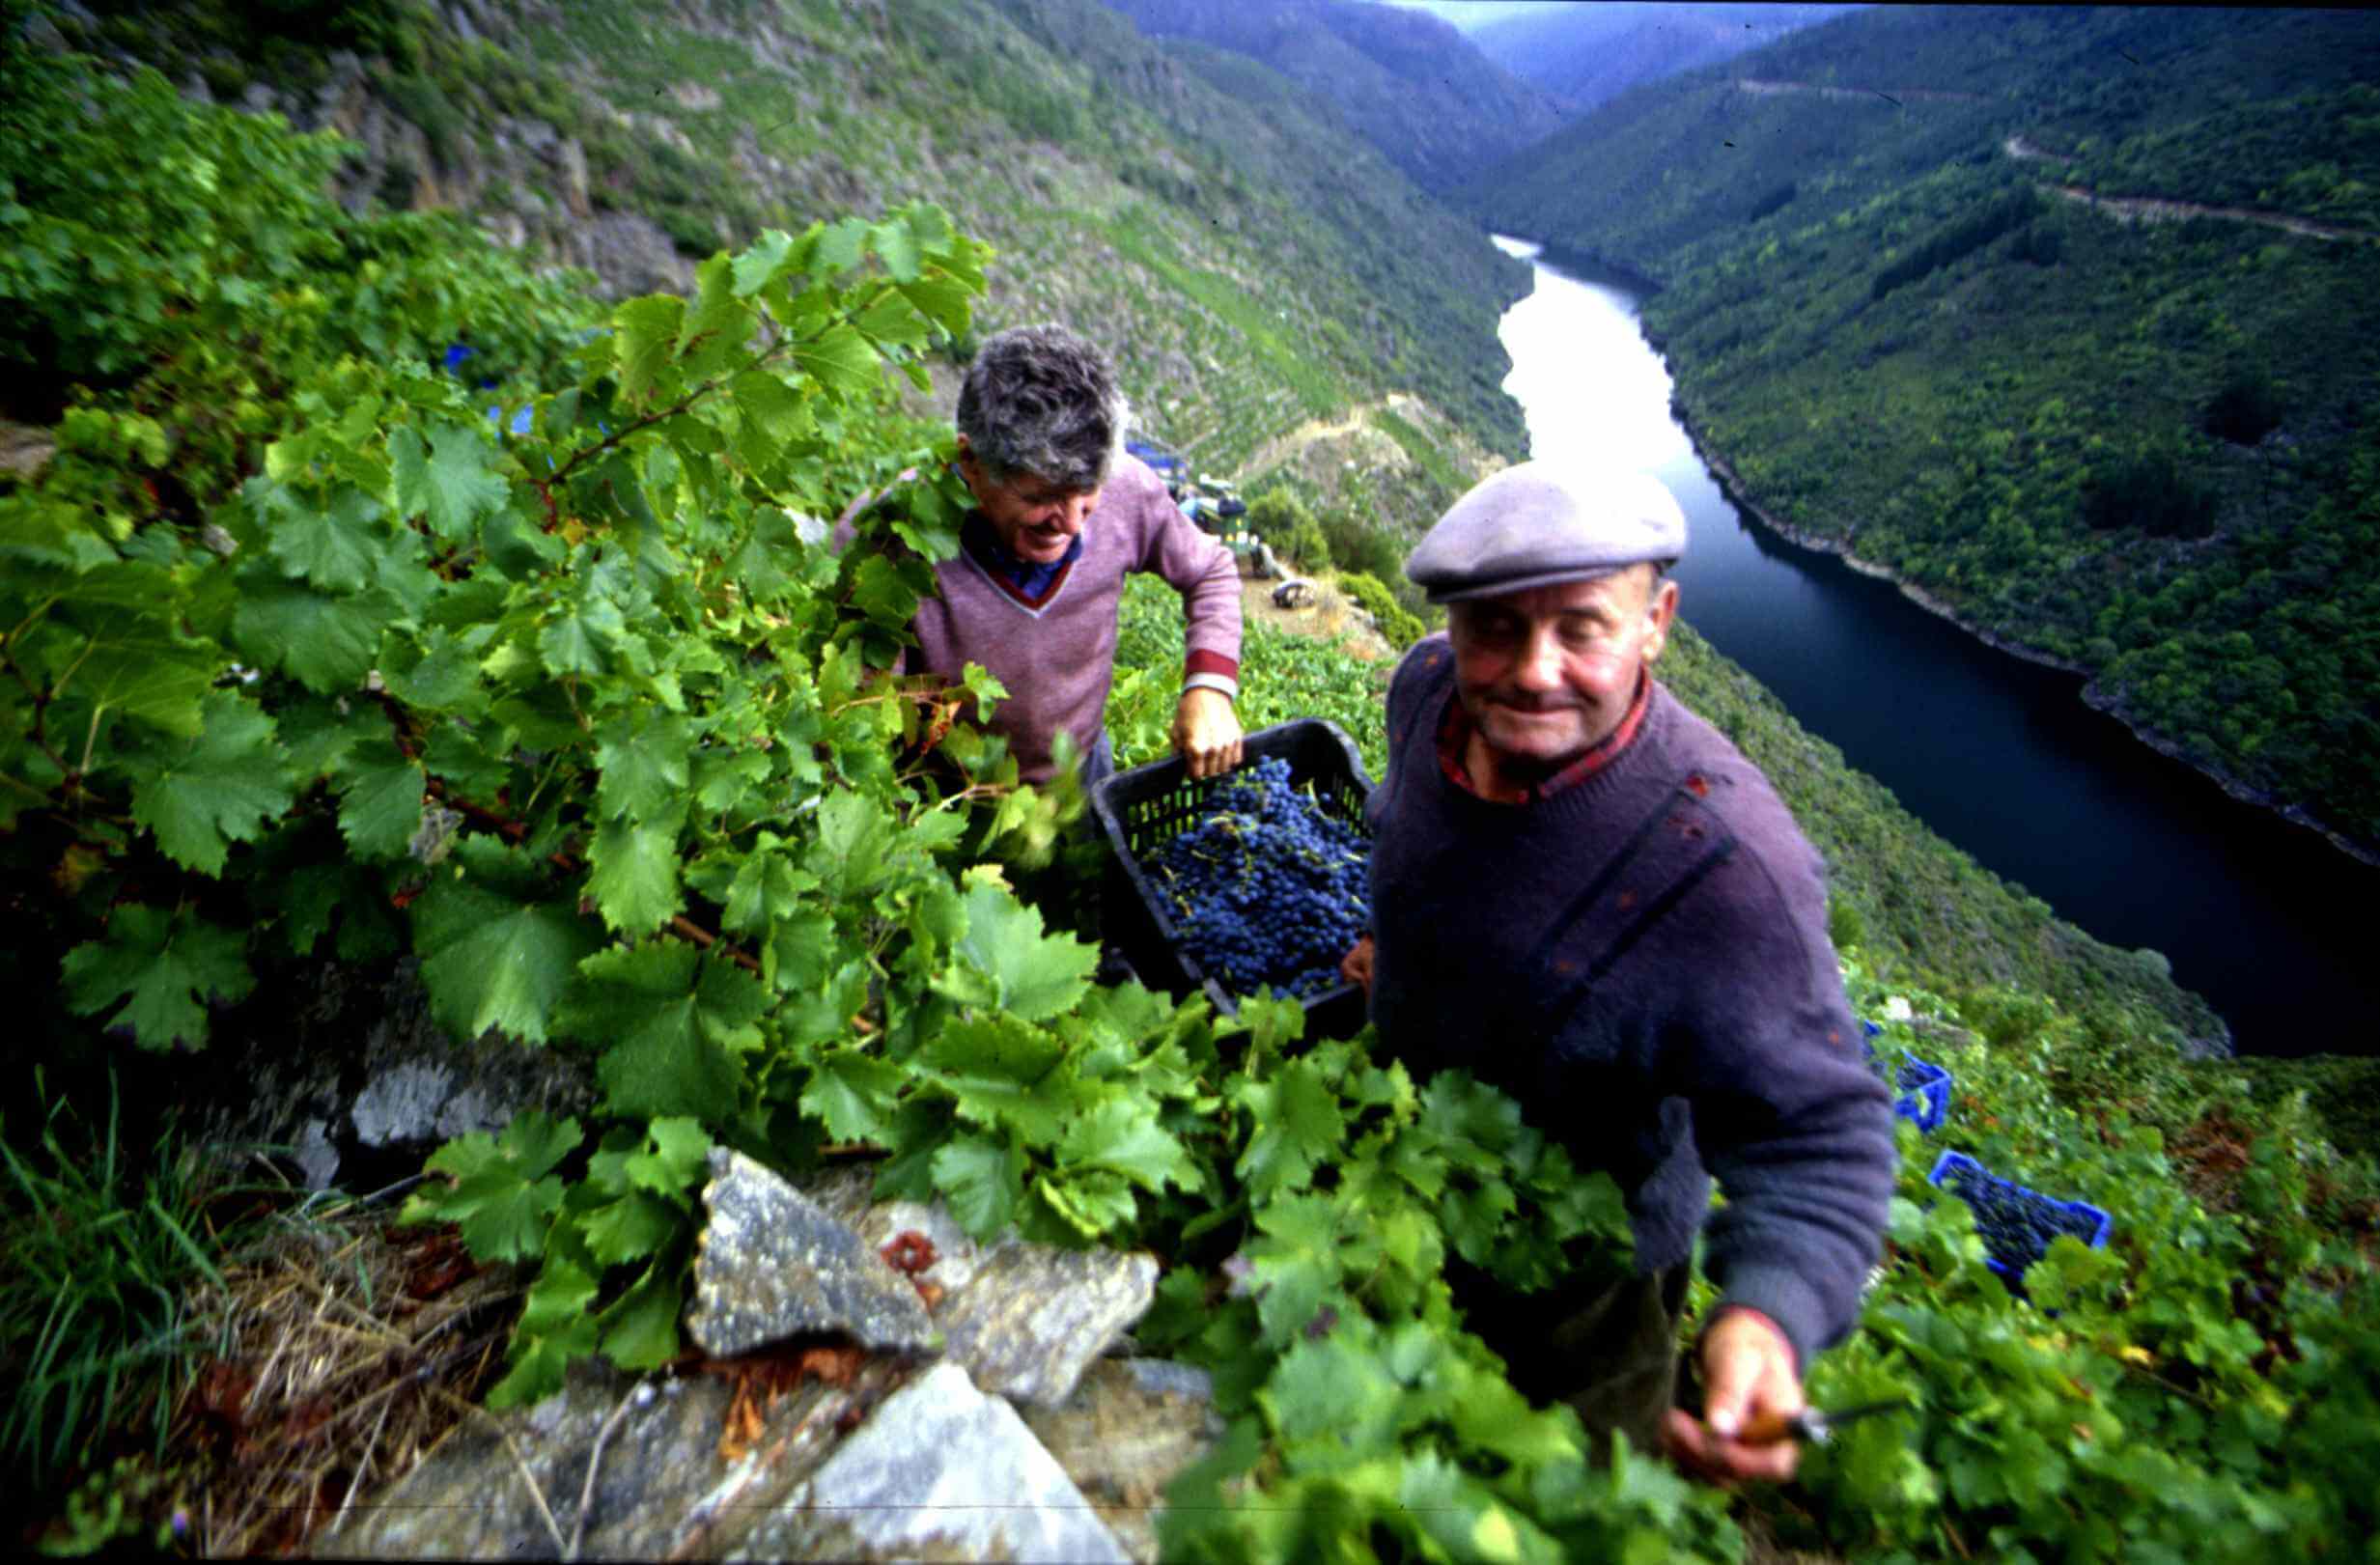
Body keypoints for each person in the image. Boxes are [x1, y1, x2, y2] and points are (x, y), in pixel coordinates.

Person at [1340, 461, 1896, 1484]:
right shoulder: (1424, 690)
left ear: (1655, 623)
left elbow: (1820, 1138)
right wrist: (1400, 950)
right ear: (1451, 624)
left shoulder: (1723, 865)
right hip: (1409, 1161)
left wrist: (1765, 1317)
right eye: (1494, 627)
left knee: (1565, 1491)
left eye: (1581, 628)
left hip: (1585, 1269)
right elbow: (1414, 839)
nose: (1533, 670)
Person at [836, 323, 1245, 790]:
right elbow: (862, 717)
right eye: (1041, 497)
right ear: (971, 462)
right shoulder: (887, 536)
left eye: (1087, 492)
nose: (1071, 524)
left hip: (1081, 776)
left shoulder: (1126, 486)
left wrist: (1209, 687)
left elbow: (1210, 570)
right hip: (944, 798)